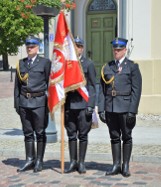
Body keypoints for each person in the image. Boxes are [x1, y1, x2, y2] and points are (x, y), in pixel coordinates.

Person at [98, 37, 142, 177]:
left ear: (125, 50)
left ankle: (125, 165)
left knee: (127, 137)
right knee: (114, 137)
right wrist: (101, 109)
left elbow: (136, 90)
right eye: (114, 49)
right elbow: (102, 89)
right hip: (111, 107)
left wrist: (132, 111)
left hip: (125, 107)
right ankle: (116, 164)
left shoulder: (132, 67)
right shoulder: (107, 67)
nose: (116, 52)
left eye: (119, 49)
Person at [14, 36, 51, 173]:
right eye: (28, 46)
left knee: (40, 132)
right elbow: (17, 86)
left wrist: (49, 104)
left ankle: (39, 161)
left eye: (32, 46)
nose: (30, 49)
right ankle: (30, 159)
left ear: (37, 47)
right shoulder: (21, 63)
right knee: (27, 133)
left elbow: (49, 84)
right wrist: (17, 104)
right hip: (24, 102)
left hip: (39, 102)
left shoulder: (45, 63)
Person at [64, 36, 96, 174]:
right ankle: (72, 162)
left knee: (82, 135)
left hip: (83, 105)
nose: (76, 48)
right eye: (74, 46)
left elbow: (93, 87)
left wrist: (91, 105)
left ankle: (81, 162)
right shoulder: (67, 64)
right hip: (70, 105)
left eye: (78, 46)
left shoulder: (88, 64)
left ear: (82, 48)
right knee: (71, 135)